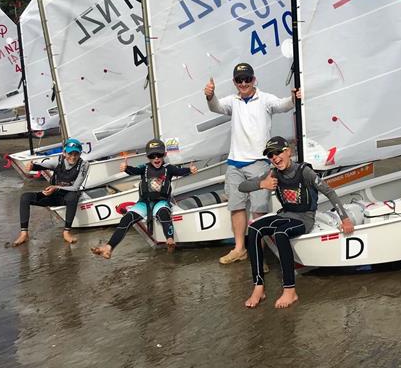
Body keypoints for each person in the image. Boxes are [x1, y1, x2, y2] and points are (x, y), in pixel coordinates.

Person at [239, 136, 355, 309]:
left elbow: (330, 192)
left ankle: (290, 290)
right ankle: (258, 287)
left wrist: (345, 219)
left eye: (278, 153)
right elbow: (242, 186)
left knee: (280, 233)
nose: (275, 158)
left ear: (288, 152)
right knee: (254, 229)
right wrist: (262, 184)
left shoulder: (305, 172)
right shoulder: (273, 173)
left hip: (304, 218)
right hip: (286, 215)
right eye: (271, 155)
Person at [204, 62, 299, 265]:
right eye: (240, 80)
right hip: (234, 163)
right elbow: (216, 107)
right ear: (235, 82)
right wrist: (210, 95)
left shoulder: (265, 99)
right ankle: (239, 249)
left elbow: (283, 105)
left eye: (247, 79)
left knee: (259, 209)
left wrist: (294, 97)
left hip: (259, 162)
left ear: (254, 79)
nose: (244, 83)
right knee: (236, 207)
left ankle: (258, 253)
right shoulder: (233, 100)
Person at [91, 139, 197, 259]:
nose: (156, 158)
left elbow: (181, 171)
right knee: (126, 219)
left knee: (163, 213)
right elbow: (133, 170)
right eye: (152, 156)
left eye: (159, 155)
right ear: (148, 157)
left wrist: (190, 170)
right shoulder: (144, 168)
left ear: (165, 155)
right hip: (144, 203)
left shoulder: (169, 168)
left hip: (161, 202)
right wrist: (126, 168)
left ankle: (170, 240)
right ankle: (109, 247)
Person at [11, 138, 89, 246]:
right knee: (25, 197)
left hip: (68, 197)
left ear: (80, 153)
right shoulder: (58, 161)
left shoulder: (84, 165)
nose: (73, 157)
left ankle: (66, 232)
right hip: (54, 195)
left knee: (73, 196)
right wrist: (32, 166)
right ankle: (24, 233)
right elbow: (42, 165)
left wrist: (56, 187)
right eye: (70, 153)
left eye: (76, 153)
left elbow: (76, 187)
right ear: (64, 153)